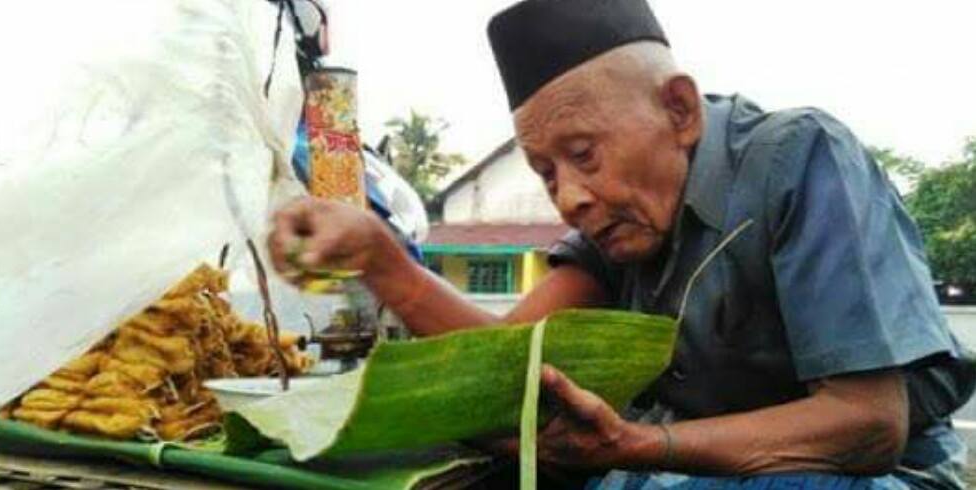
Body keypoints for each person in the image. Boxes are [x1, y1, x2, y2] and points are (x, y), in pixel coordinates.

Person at [267, 0, 974, 487]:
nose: (569, 196)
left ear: (679, 110)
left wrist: (641, 445)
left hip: (881, 476)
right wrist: (382, 260)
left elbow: (868, 423)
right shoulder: (616, 226)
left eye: (583, 154)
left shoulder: (796, 160)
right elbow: (505, 363)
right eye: (547, 173)